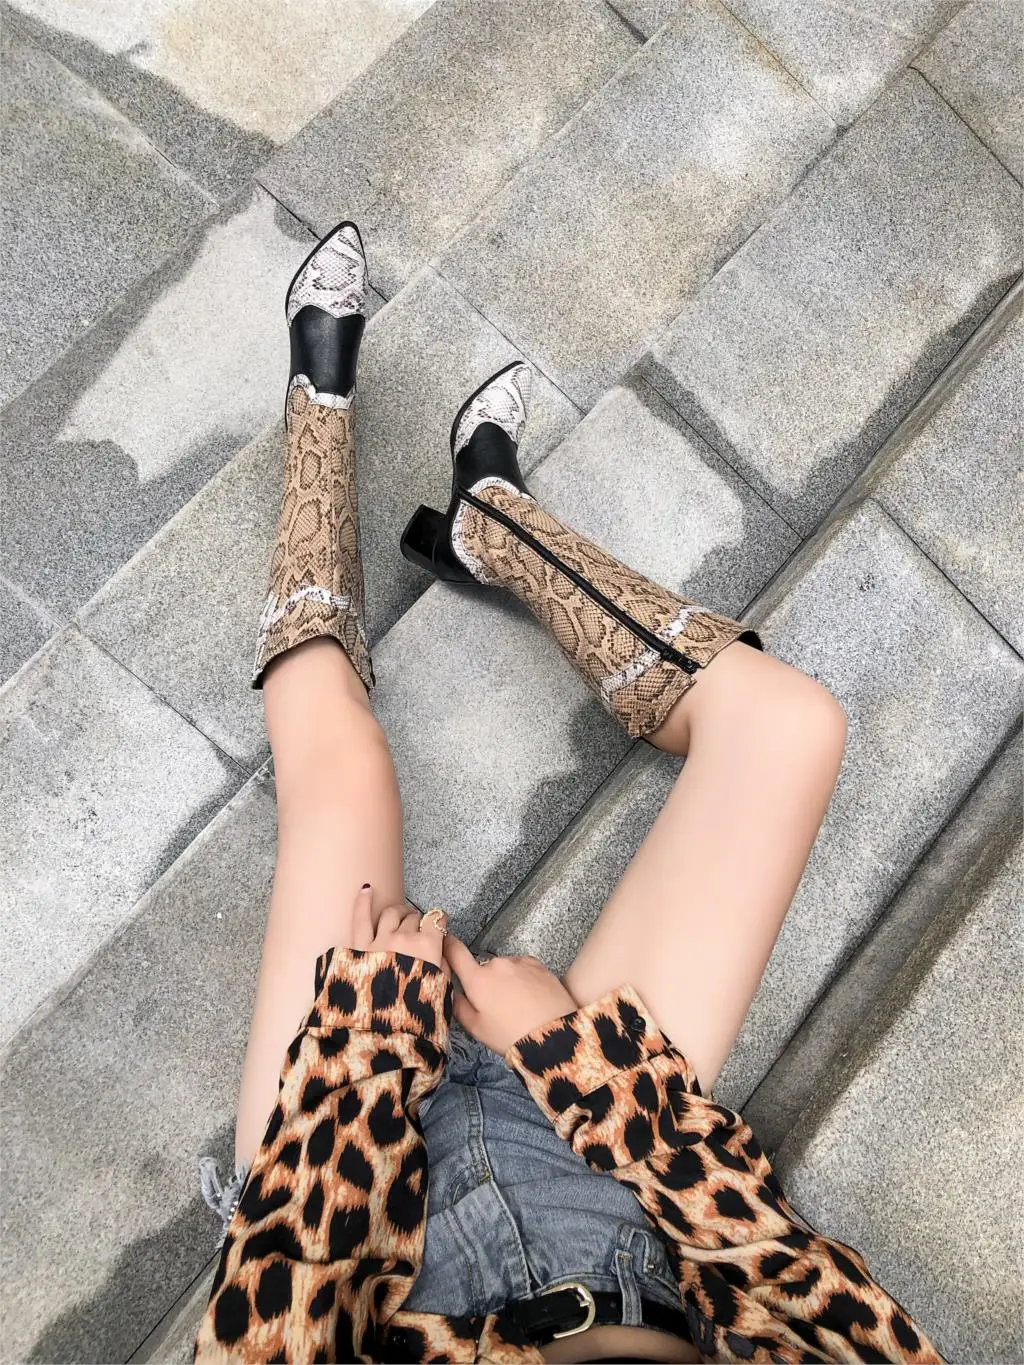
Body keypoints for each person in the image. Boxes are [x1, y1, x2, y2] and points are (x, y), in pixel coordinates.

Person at [194, 223, 941, 1364]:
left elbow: (264, 1336)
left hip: (351, 1238)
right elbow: (815, 1310)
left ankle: (316, 411)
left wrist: (361, 1051)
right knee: (787, 729)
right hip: (628, 1199)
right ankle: (492, 525)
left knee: (341, 774)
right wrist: (591, 1074)